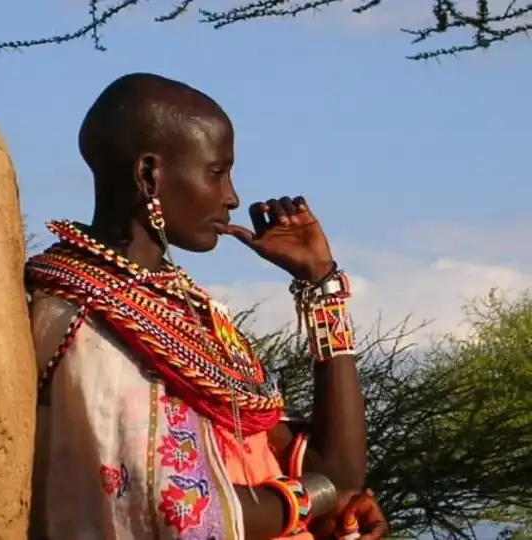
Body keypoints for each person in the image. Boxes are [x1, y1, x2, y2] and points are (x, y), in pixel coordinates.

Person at [26, 72, 388, 540]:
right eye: (217, 173)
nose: (232, 197)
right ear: (149, 175)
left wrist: (319, 285)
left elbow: (338, 472)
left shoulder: (178, 308)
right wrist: (310, 501)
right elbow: (176, 508)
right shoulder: (89, 320)